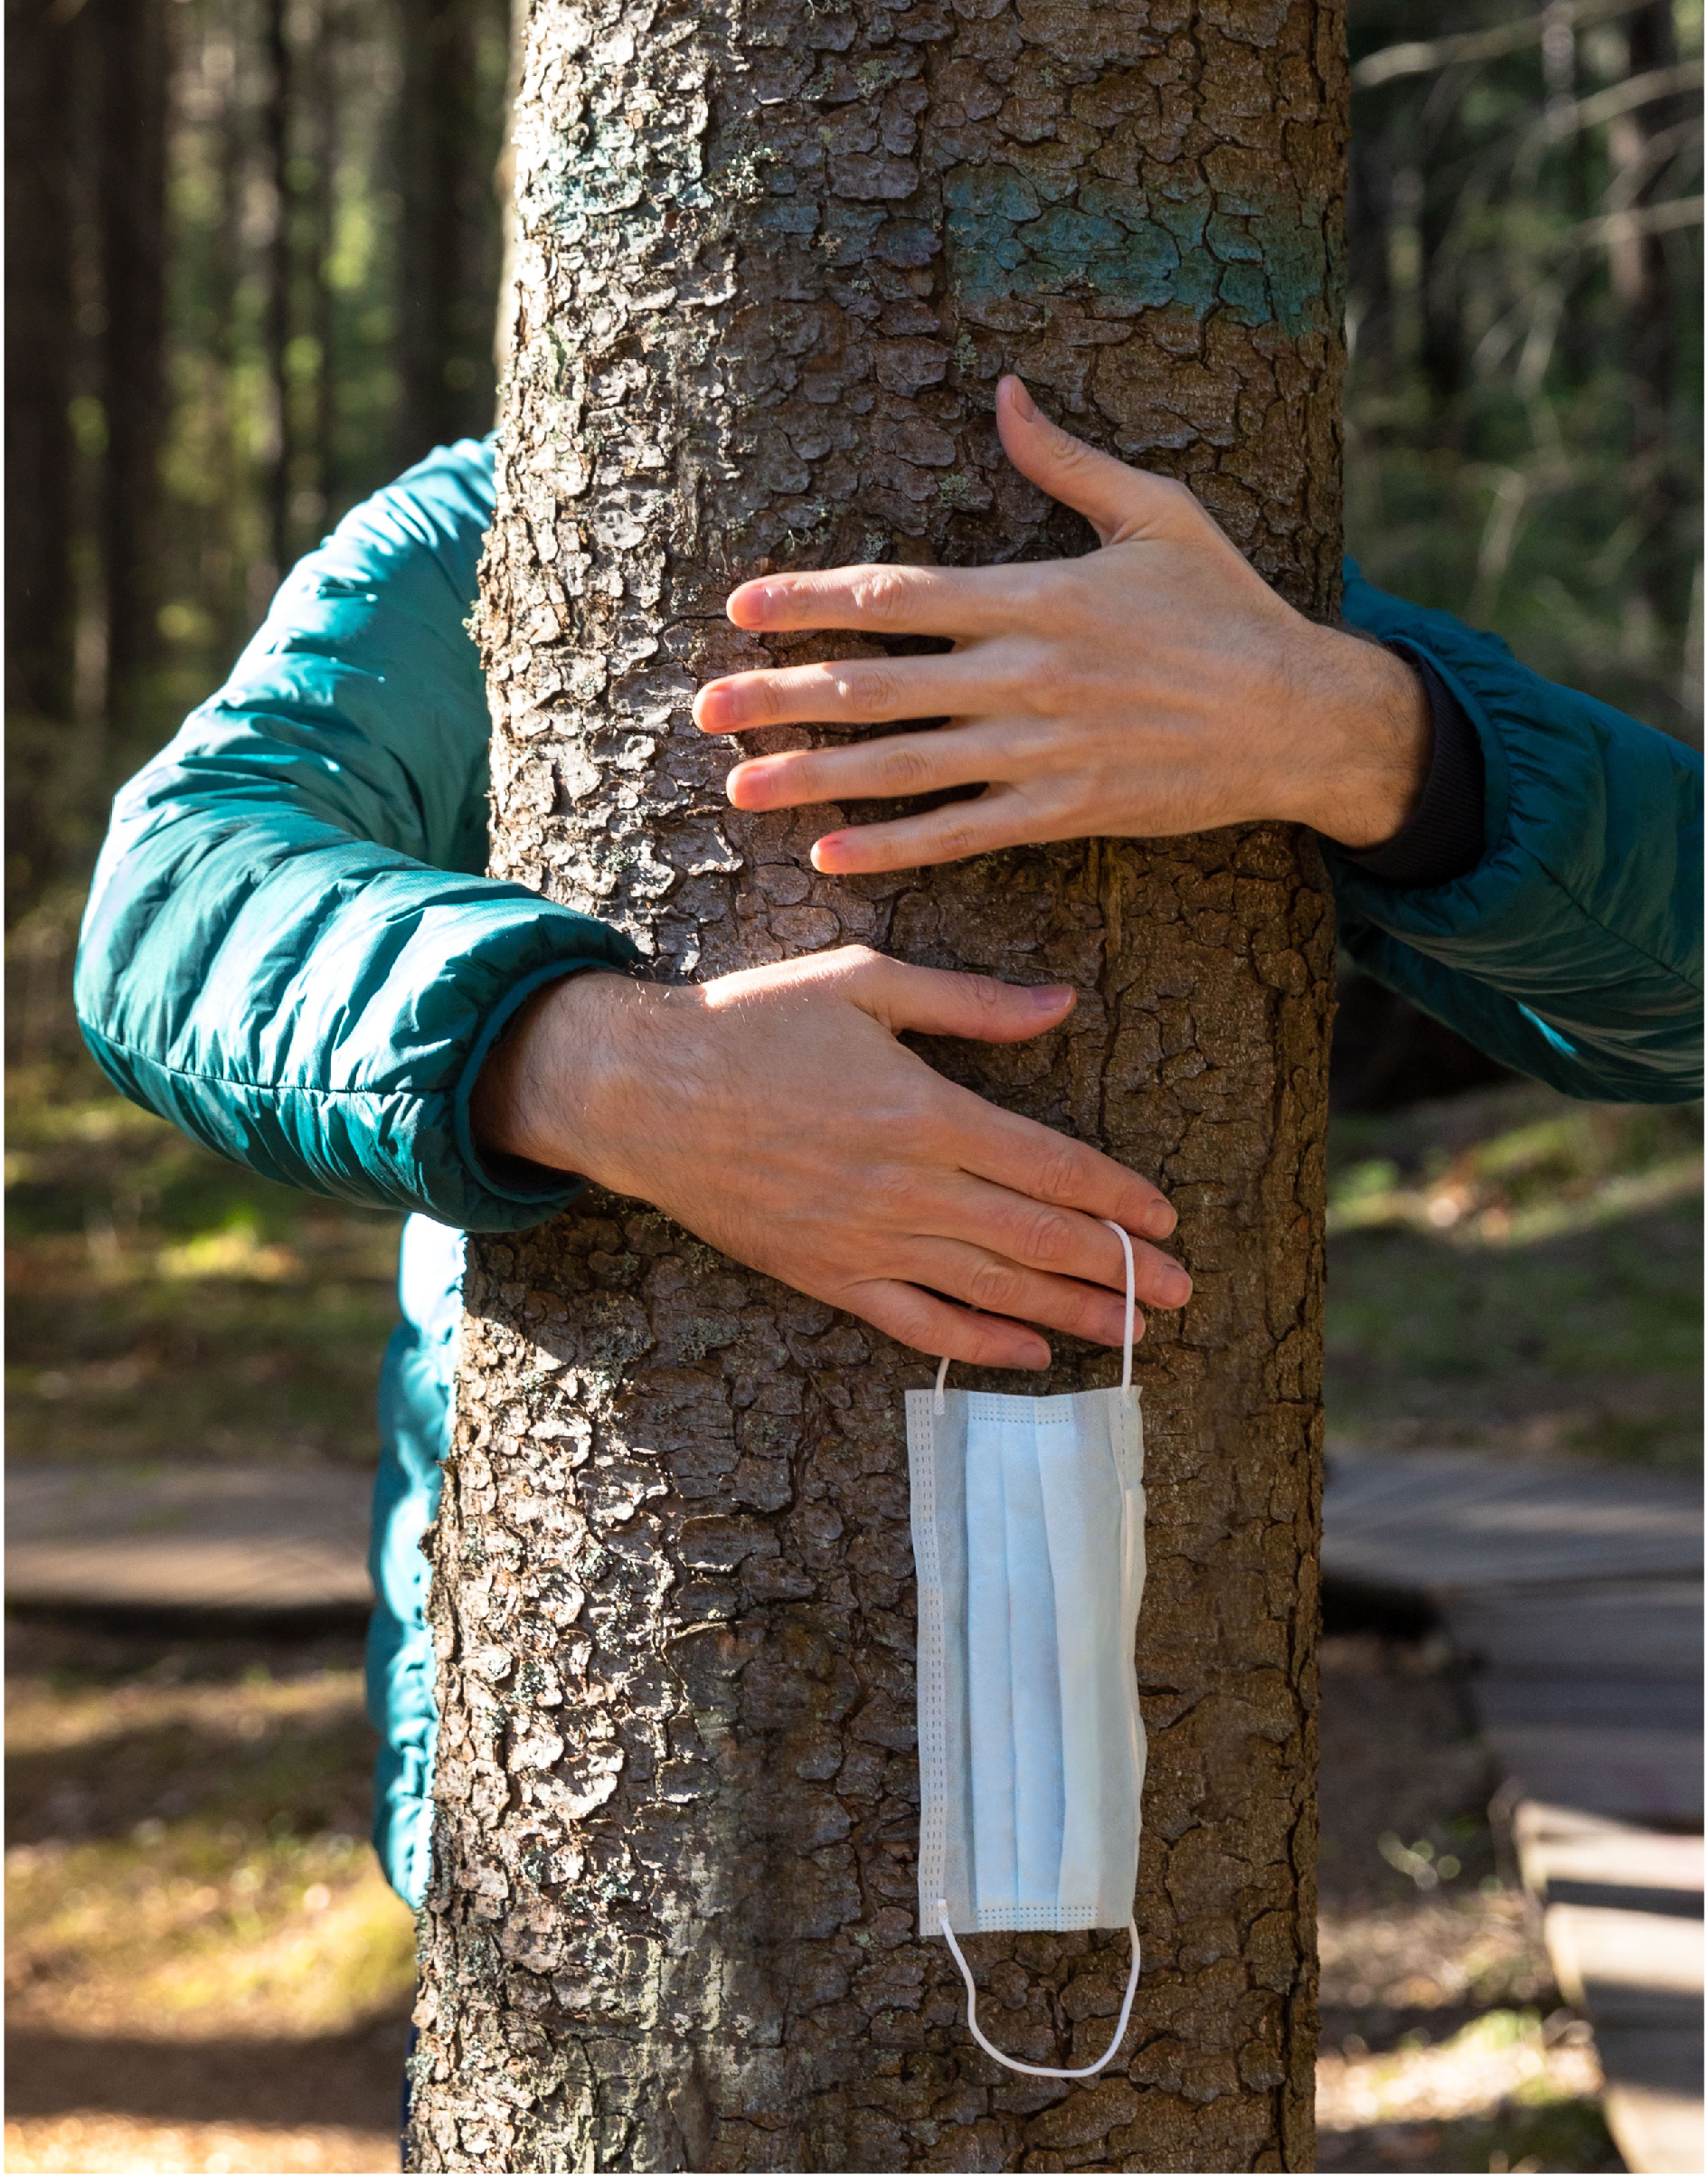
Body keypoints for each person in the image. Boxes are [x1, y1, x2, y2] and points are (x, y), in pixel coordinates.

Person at [74, 379, 1702, 1906]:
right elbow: (168, 900)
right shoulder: (505, 530)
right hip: (576, 1766)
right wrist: (600, 1065)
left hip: (1162, 1784)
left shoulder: (1174, 567)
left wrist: (1344, 731)